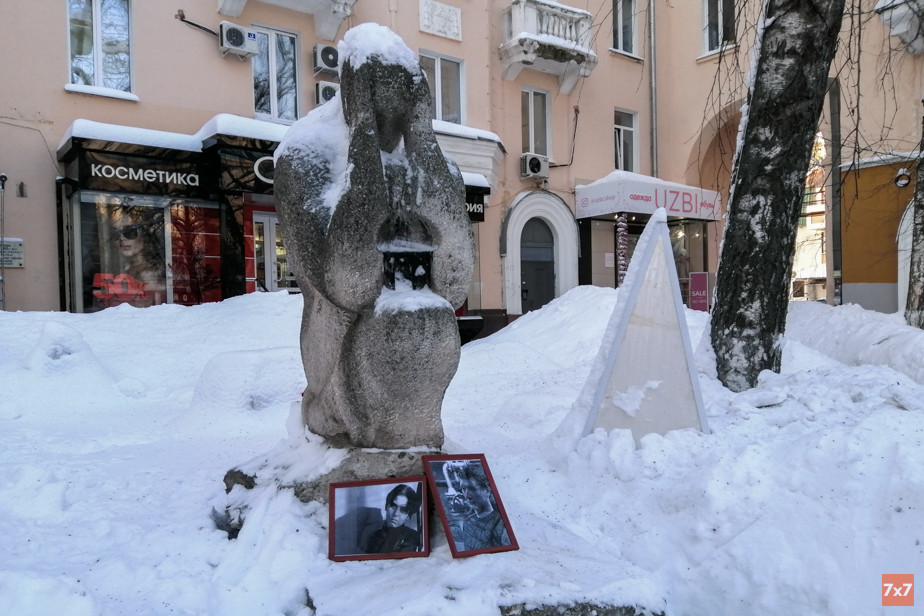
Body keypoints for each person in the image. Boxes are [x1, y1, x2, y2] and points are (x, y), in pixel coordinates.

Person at [101, 206, 167, 308]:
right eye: (117, 234)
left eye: (130, 232)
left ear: (144, 236)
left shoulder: (158, 271)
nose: (122, 238)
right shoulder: (114, 271)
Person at [452, 462, 511, 551]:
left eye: (472, 488)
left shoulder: (501, 522)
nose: (467, 495)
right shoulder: (467, 523)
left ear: (487, 490)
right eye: (463, 489)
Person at [364, 484, 421, 554]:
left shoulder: (415, 538)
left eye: (403, 510)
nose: (396, 514)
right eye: (393, 506)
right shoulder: (373, 538)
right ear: (386, 507)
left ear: (408, 516)